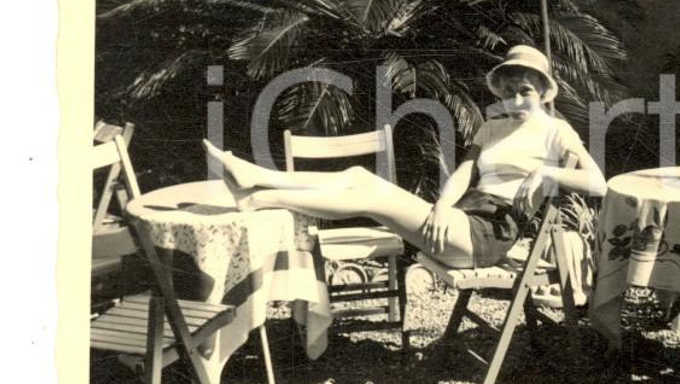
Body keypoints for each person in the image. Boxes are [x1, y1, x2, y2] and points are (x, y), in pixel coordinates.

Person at [205, 45, 607, 270]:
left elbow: (597, 183)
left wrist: (543, 173)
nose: (515, 99)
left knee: (371, 196)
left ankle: (260, 196)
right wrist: (440, 207)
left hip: (486, 237)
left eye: (525, 91)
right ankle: (254, 176)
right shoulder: (492, 126)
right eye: (508, 91)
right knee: (360, 174)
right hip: (458, 219)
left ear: (542, 91)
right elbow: (464, 173)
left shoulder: (556, 131)